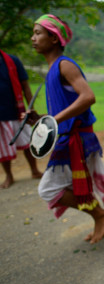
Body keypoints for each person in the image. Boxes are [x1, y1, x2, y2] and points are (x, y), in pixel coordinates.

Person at [29, 14, 104, 244]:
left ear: (54, 38)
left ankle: (101, 215)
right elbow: (61, 114)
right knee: (67, 186)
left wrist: (54, 120)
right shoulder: (52, 70)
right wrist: (39, 120)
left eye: (38, 33)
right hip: (67, 138)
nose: (32, 38)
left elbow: (88, 96)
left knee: (48, 189)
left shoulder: (64, 65)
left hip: (78, 138)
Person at [0, 50, 42, 189]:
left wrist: (31, 109)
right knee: (3, 147)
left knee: (27, 141)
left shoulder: (12, 61)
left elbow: (25, 85)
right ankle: (9, 175)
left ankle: (34, 170)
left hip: (17, 110)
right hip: (1, 115)